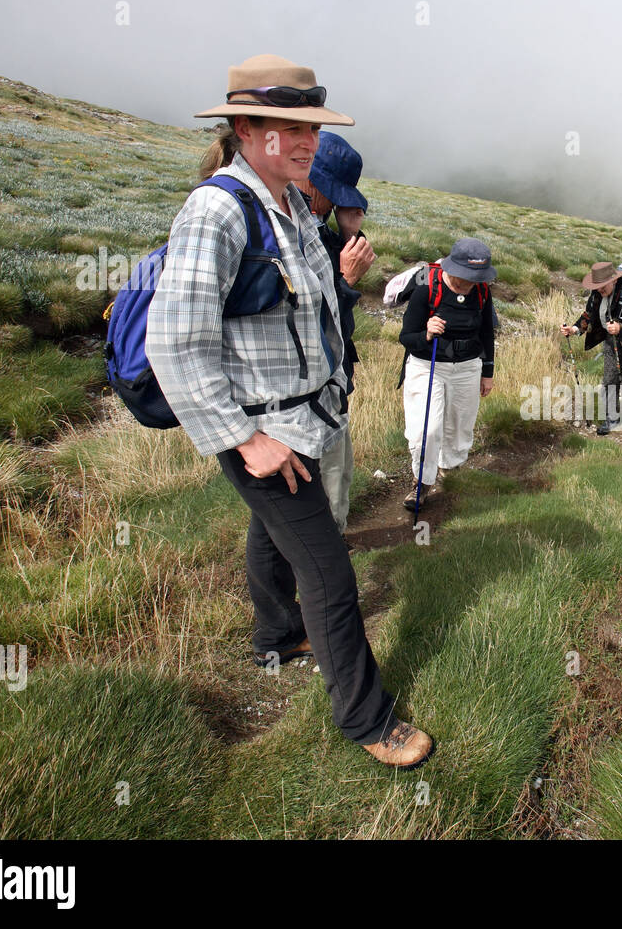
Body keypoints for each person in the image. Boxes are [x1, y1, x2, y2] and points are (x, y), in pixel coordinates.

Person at [147, 54, 433, 770]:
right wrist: (244, 440)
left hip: (308, 420)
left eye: (312, 126)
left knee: (275, 536)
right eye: (288, 126)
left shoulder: (292, 207)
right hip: (265, 432)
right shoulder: (217, 210)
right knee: (331, 575)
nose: (305, 141)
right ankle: (368, 720)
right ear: (245, 127)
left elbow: (310, 314)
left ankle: (277, 639)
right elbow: (174, 343)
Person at [296, 131, 375, 532]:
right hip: (305, 398)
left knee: (337, 478)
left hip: (331, 389)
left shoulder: (319, 233)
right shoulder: (290, 235)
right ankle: (319, 571)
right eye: (332, 194)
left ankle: (321, 559)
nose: (333, 203)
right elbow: (313, 323)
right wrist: (345, 283)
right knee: (319, 495)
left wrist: (348, 234)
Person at [397, 238, 496, 510]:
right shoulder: (426, 291)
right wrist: (427, 333)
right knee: (426, 430)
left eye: (474, 278)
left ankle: (448, 469)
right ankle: (422, 483)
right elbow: (406, 337)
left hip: (467, 368)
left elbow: (487, 333)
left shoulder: (482, 292)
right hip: (428, 366)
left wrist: (487, 372)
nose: (468, 283)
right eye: (465, 277)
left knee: (458, 426)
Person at [561, 262, 622, 434]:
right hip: (611, 342)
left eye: (602, 286)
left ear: (613, 280)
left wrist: (621, 328)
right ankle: (612, 418)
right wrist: (574, 329)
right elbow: (589, 314)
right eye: (596, 286)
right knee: (609, 381)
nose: (599, 290)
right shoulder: (598, 293)